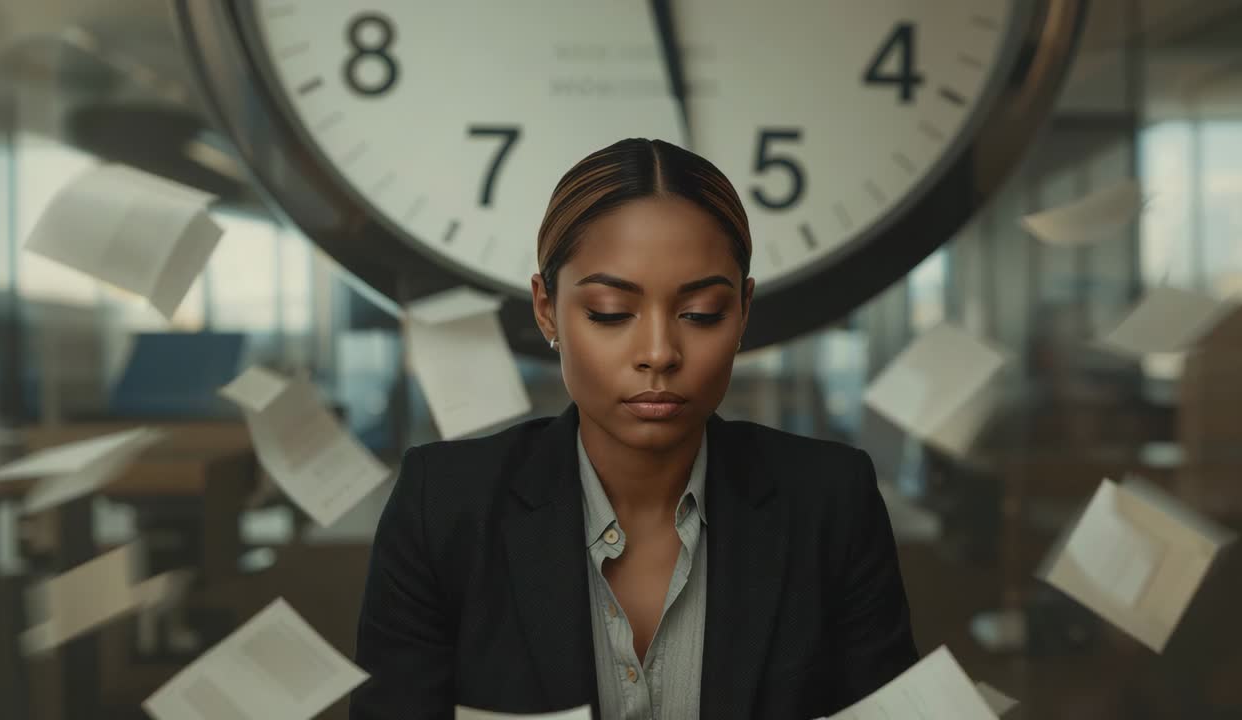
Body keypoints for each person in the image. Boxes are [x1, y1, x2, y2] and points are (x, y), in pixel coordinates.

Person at [350, 138, 918, 720]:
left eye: (700, 314)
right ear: (546, 308)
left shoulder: (830, 502)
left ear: (744, 310)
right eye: (610, 313)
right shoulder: (443, 506)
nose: (658, 353)